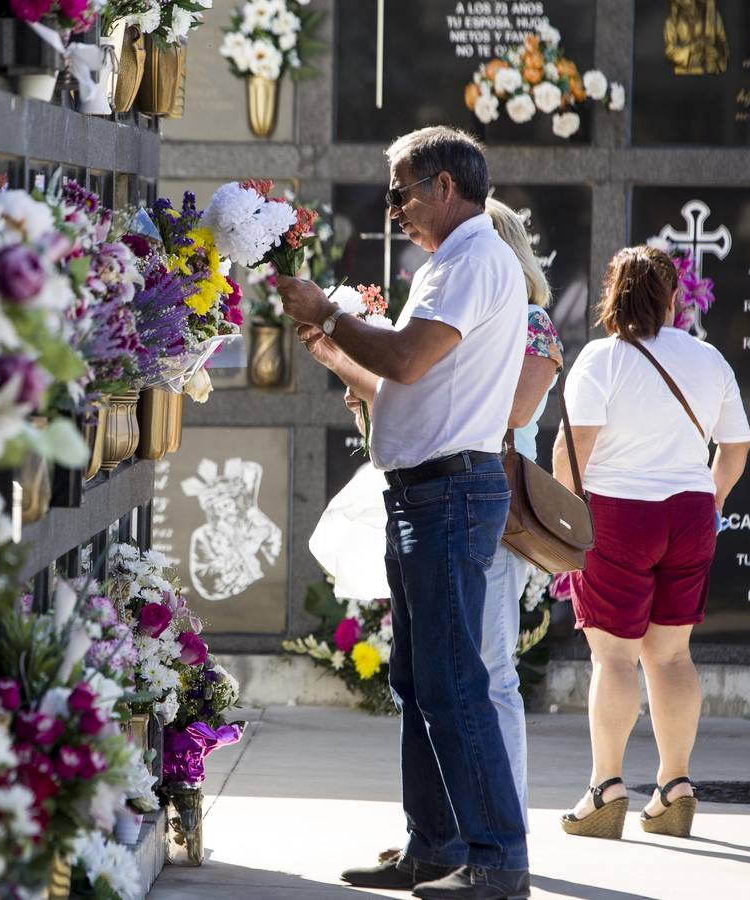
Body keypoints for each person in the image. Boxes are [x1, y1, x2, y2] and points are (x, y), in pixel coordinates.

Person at [280, 126, 529, 900]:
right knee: (420, 680)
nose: (394, 210)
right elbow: (408, 383)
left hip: (449, 492)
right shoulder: (452, 262)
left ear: (445, 187)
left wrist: (333, 310)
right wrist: (332, 347)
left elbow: (409, 360)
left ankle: (497, 862)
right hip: (427, 490)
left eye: (401, 193)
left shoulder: (474, 258)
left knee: (453, 680)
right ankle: (434, 845)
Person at [319, 197, 563, 825]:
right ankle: (445, 831)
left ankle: (503, 825)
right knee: (442, 677)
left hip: (498, 510)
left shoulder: (528, 318)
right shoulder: (469, 321)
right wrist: (342, 357)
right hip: (447, 493)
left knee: (490, 672)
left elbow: (503, 412)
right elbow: (418, 396)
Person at [553, 245, 750, 840]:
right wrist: (710, 501)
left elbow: (573, 452)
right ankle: (676, 787)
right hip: (690, 514)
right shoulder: (709, 358)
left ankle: (606, 789)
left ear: (612, 298)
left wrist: (564, 524)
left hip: (617, 515)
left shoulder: (600, 360)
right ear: (672, 298)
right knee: (671, 655)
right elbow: (735, 449)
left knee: (613, 656)